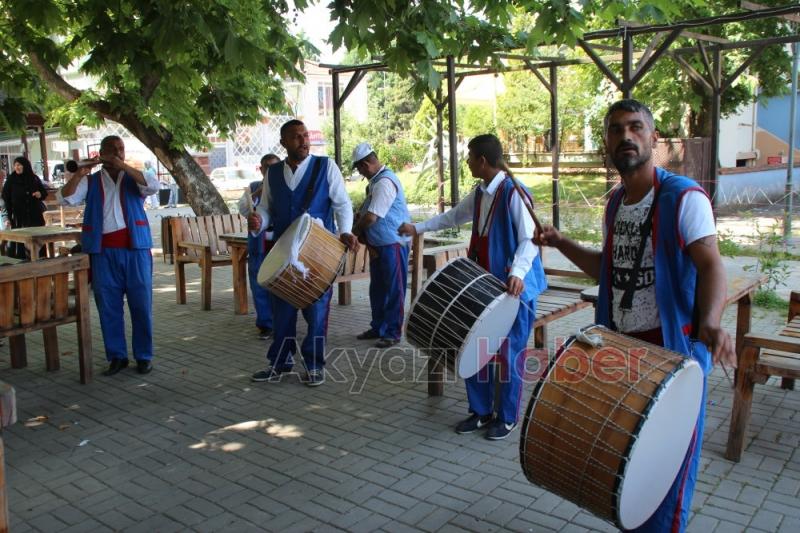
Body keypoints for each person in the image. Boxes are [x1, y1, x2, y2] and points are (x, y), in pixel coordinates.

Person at [538, 99, 735, 532]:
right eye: (615, 130)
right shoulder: (616, 204)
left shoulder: (684, 198)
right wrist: (559, 241)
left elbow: (712, 265)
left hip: (671, 356)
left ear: (653, 139)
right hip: (624, 353)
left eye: (635, 127)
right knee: (627, 471)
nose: (625, 136)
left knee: (667, 480)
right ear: (606, 141)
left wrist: (712, 322)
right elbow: (608, 271)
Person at [398, 133, 547, 441]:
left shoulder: (514, 193)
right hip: (483, 288)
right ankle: (480, 411)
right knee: (474, 346)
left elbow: (530, 239)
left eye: (469, 157)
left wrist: (518, 272)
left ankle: (506, 418)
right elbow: (453, 217)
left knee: (508, 354)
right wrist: (418, 227)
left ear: (482, 160)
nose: (466, 162)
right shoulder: (480, 193)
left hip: (514, 289)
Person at [248, 120, 358, 386]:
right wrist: (259, 221)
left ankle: (314, 365)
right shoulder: (272, 173)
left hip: (318, 256)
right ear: (284, 142)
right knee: (282, 312)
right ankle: (280, 362)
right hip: (285, 256)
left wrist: (345, 230)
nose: (304, 141)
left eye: (305, 135)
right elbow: (265, 207)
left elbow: (342, 204)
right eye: (296, 137)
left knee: (317, 312)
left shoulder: (325, 166)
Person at [60, 136, 161, 376]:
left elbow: (154, 186)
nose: (118, 153)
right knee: (108, 307)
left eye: (121, 149)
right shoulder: (91, 180)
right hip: (103, 252)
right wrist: (78, 174)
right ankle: (117, 356)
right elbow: (65, 198)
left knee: (141, 305)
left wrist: (123, 165)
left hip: (135, 250)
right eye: (113, 150)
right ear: (102, 153)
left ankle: (143, 356)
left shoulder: (133, 176)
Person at [351, 142, 412, 348]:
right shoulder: (376, 182)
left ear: (367, 163)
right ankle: (378, 327)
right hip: (379, 245)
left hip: (392, 244)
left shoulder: (385, 182)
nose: (360, 172)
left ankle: (393, 332)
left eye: (359, 168)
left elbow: (371, 218)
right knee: (377, 289)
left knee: (394, 289)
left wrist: (355, 231)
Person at [237, 153, 281, 340]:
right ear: (261, 169)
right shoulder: (255, 187)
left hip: (279, 242)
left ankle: (282, 322)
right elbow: (243, 209)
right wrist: (258, 193)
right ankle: (265, 324)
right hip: (259, 243)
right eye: (266, 167)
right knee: (258, 282)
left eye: (274, 167)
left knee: (280, 283)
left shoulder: (285, 186)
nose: (270, 171)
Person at [1, 156, 48, 259]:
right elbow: (6, 200)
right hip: (19, 217)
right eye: (15, 165)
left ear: (25, 166)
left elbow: (44, 192)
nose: (17, 167)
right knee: (21, 244)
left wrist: (40, 194)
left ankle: (40, 263)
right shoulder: (11, 180)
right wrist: (7, 217)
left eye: (19, 165)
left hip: (34, 216)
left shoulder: (34, 178)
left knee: (37, 241)